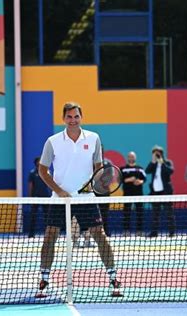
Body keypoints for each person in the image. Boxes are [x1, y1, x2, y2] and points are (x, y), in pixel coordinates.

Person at [37, 102, 121, 296]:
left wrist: (96, 183)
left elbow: (98, 168)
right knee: (50, 236)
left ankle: (114, 278)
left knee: (99, 235)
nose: (73, 120)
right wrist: (59, 190)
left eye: (76, 116)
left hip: (86, 197)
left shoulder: (93, 138)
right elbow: (43, 170)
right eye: (69, 117)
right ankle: (44, 280)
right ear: (63, 118)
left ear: (81, 117)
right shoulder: (53, 141)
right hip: (60, 199)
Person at [145, 146, 175, 238]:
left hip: (165, 192)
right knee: (155, 214)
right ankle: (154, 233)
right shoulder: (153, 164)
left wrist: (162, 164)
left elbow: (171, 171)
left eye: (158, 153)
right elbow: (147, 171)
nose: (157, 155)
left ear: (162, 154)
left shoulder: (167, 162)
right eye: (155, 153)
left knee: (169, 213)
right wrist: (153, 161)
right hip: (155, 193)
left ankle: (171, 232)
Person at [120, 151, 146, 237]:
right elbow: (120, 180)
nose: (131, 158)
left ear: (135, 158)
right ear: (127, 158)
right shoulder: (123, 169)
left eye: (133, 157)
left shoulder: (140, 169)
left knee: (140, 213)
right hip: (127, 194)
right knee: (126, 213)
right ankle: (126, 231)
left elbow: (144, 179)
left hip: (138, 194)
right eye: (130, 157)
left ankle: (139, 231)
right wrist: (129, 179)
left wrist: (140, 181)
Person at [28, 157, 51, 238]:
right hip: (35, 197)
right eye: (38, 162)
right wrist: (30, 197)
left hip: (46, 197)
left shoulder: (47, 172)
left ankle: (47, 234)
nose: (40, 163)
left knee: (47, 216)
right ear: (36, 163)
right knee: (33, 216)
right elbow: (30, 185)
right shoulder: (32, 173)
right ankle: (31, 234)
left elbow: (50, 183)